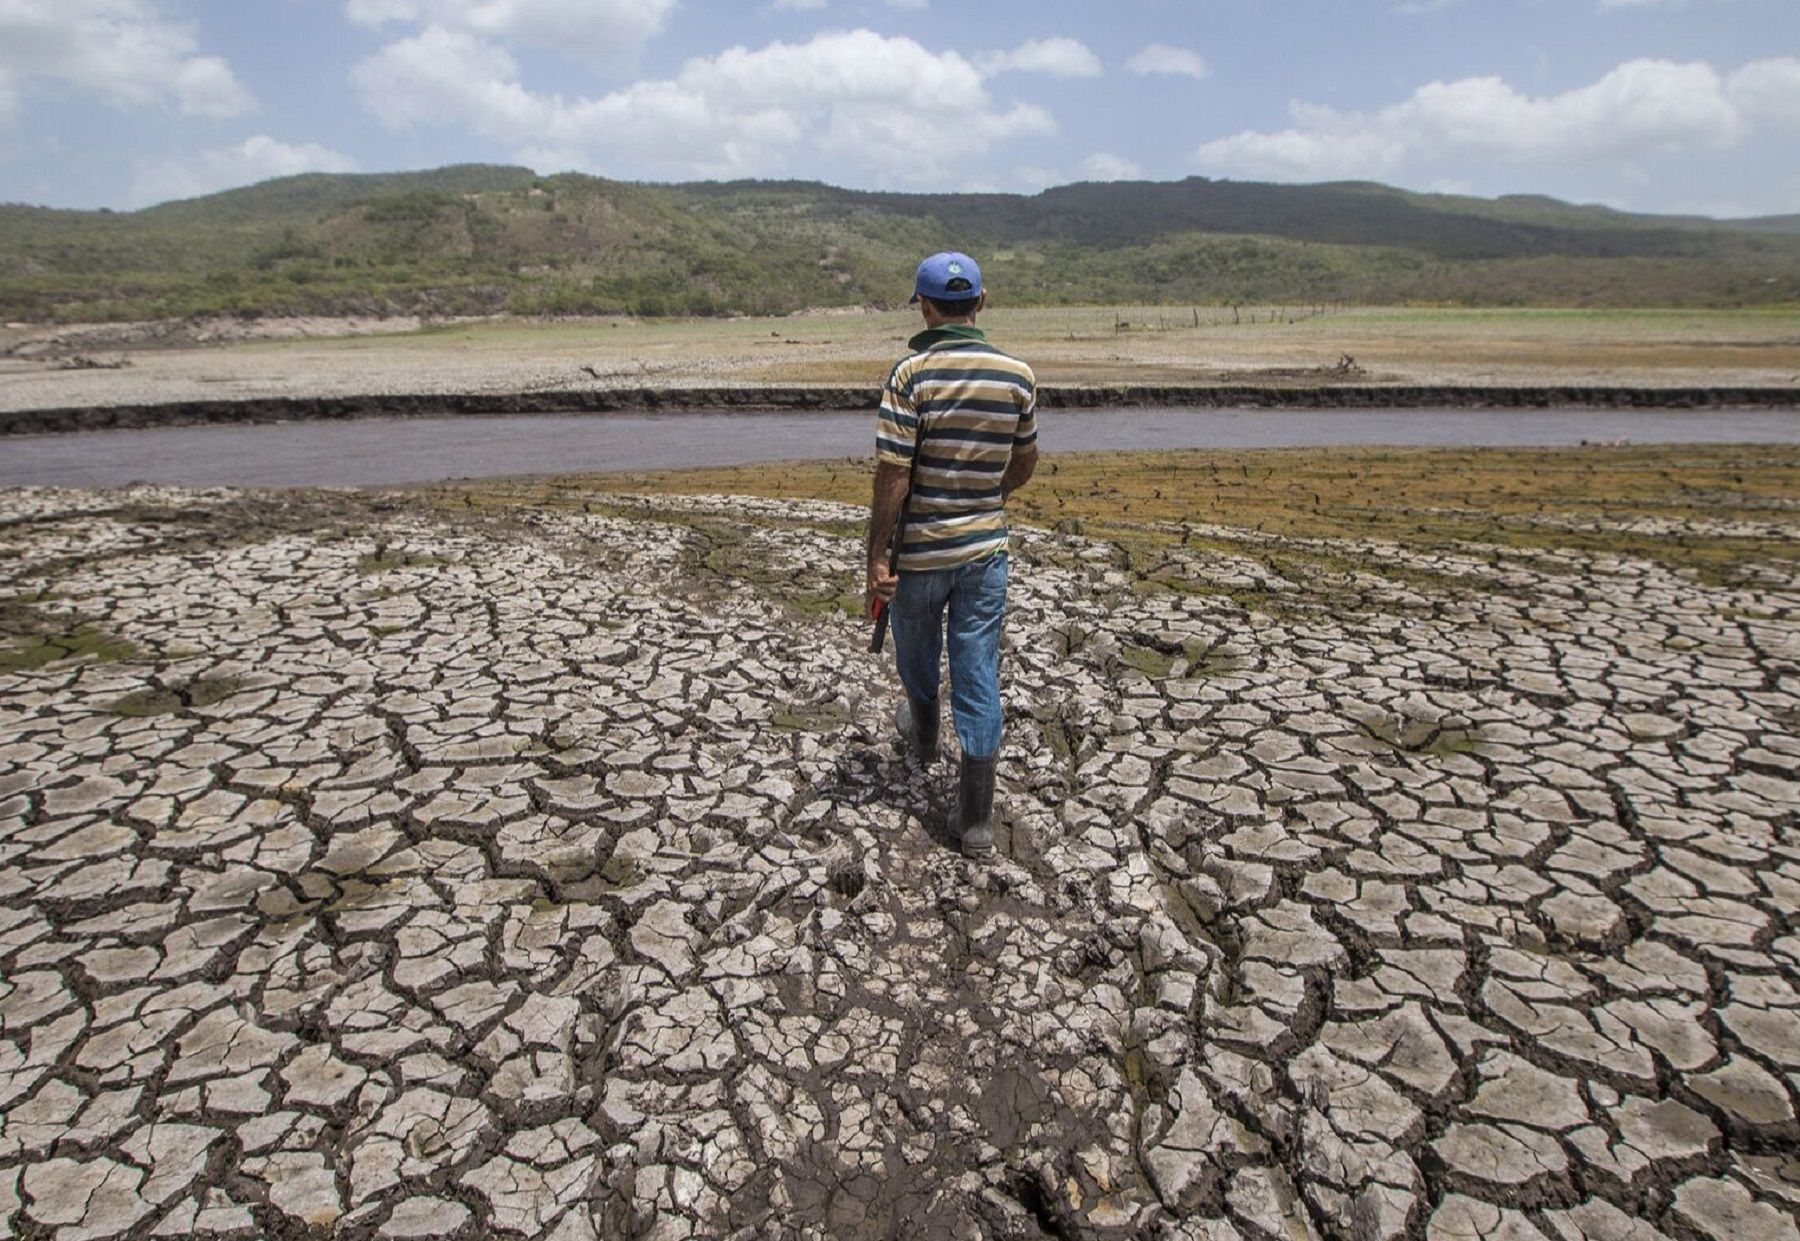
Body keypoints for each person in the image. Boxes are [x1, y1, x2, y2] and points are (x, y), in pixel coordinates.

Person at [865, 251, 1038, 858]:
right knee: (977, 669)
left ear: (926, 307)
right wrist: (986, 499)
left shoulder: (910, 375)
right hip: (984, 553)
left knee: (916, 654)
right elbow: (1024, 462)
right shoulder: (1018, 375)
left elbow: (893, 476)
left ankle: (923, 738)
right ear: (981, 304)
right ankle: (976, 821)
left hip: (921, 555)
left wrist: (876, 558)